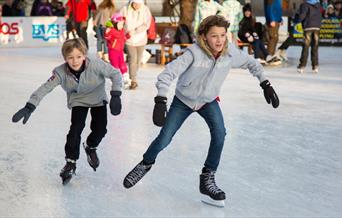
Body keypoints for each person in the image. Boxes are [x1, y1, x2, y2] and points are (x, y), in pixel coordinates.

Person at [122, 15, 279, 207]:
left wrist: (265, 83)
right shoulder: (193, 53)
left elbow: (252, 63)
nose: (219, 40)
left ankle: (207, 177)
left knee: (220, 134)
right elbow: (168, 73)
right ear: (204, 36)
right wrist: (161, 99)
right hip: (183, 100)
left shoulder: (230, 53)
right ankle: (145, 163)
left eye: (222, 35)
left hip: (208, 101)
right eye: (214, 36)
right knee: (165, 138)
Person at [12, 38, 123, 185]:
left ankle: (90, 146)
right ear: (65, 59)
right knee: (75, 129)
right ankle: (70, 162)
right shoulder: (60, 72)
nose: (75, 61)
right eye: (70, 57)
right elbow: (45, 88)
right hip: (78, 100)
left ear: (84, 55)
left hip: (97, 99)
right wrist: (30, 105)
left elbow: (116, 74)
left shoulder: (96, 64)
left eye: (78, 56)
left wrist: (116, 94)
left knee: (100, 129)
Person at [120, 0, 151, 90]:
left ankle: (133, 76)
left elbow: (147, 24)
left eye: (138, 4)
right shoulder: (125, 9)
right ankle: (133, 80)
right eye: (135, 3)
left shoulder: (145, 10)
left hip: (141, 38)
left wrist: (135, 30)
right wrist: (120, 27)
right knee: (132, 58)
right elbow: (118, 19)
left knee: (138, 60)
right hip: (128, 39)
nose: (136, 5)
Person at [105, 13, 131, 89]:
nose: (121, 26)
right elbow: (107, 37)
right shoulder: (111, 31)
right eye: (120, 24)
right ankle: (115, 81)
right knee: (115, 66)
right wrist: (107, 32)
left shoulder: (121, 31)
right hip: (113, 51)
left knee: (123, 65)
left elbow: (123, 38)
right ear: (115, 23)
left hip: (120, 51)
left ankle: (126, 79)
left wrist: (128, 36)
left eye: (122, 24)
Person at [295, 0, 322, 73]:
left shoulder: (305, 5)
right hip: (317, 27)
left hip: (308, 27)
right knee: (315, 47)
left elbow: (302, 15)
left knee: (306, 47)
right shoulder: (318, 4)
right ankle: (315, 66)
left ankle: (302, 66)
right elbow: (320, 15)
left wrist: (297, 19)